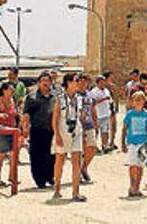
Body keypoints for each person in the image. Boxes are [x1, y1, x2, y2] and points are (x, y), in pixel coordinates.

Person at [51, 73, 85, 202]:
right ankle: (57, 188)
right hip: (62, 131)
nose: (78, 83)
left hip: (76, 131)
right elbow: (55, 118)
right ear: (68, 82)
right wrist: (57, 135)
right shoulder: (60, 98)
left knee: (77, 161)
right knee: (60, 160)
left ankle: (75, 192)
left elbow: (79, 116)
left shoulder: (79, 98)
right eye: (76, 81)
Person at [22, 72, 56, 188]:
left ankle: (50, 177)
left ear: (51, 83)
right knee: (37, 156)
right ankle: (39, 180)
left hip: (52, 131)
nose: (45, 83)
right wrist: (25, 128)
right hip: (37, 130)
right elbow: (26, 114)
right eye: (43, 81)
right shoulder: (31, 97)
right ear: (39, 83)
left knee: (52, 156)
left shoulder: (55, 97)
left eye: (47, 81)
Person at [122, 91, 147, 198]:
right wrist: (123, 142)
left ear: (144, 101)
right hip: (132, 142)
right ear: (132, 102)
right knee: (133, 165)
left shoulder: (146, 114)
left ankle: (137, 187)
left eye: (140, 100)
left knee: (140, 166)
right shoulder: (129, 114)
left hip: (143, 143)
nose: (138, 102)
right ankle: (132, 186)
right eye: (136, 100)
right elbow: (124, 129)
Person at [0, 82, 18, 186]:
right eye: (11, 90)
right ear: (4, 91)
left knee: (13, 155)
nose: (12, 92)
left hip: (11, 130)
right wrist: (1, 115)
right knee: (0, 156)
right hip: (1, 131)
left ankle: (11, 177)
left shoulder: (11, 101)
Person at [78, 74, 98, 183]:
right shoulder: (74, 95)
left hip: (89, 124)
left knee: (92, 148)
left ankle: (84, 167)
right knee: (79, 150)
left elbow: (93, 110)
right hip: (77, 125)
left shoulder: (90, 96)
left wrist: (96, 123)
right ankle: (78, 173)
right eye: (81, 81)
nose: (83, 83)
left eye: (85, 82)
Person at [91, 75, 114, 152]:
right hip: (98, 114)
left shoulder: (106, 90)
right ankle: (94, 146)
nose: (103, 83)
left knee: (105, 131)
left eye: (104, 82)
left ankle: (104, 145)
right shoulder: (94, 92)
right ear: (97, 83)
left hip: (106, 113)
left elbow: (110, 100)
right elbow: (93, 103)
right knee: (96, 131)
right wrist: (103, 99)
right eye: (101, 82)